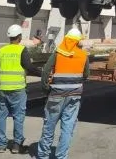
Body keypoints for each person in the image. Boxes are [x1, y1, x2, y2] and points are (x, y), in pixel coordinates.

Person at [36, 27, 89, 159]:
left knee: (49, 126)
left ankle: (43, 155)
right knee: (67, 128)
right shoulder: (83, 55)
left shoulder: (58, 53)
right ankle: (61, 156)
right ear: (78, 41)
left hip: (56, 95)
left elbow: (46, 72)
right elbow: (86, 74)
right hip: (74, 96)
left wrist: (46, 89)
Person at [0, 24, 41, 154]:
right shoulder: (21, 50)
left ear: (9, 37)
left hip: (2, 89)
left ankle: (1, 145)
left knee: (1, 116)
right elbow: (29, 67)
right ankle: (16, 145)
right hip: (18, 89)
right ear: (19, 37)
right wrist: (42, 74)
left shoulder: (2, 51)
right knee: (18, 117)